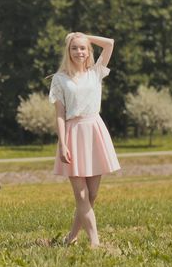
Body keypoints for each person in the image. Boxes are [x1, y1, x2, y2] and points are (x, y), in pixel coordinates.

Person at [47, 31, 121, 248]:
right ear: (68, 52)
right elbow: (60, 114)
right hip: (73, 133)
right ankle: (95, 242)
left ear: (88, 51)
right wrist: (62, 143)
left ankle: (71, 237)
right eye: (74, 48)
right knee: (81, 194)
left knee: (92, 195)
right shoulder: (60, 79)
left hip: (94, 130)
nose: (79, 51)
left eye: (83, 48)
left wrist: (83, 36)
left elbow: (109, 44)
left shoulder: (96, 72)